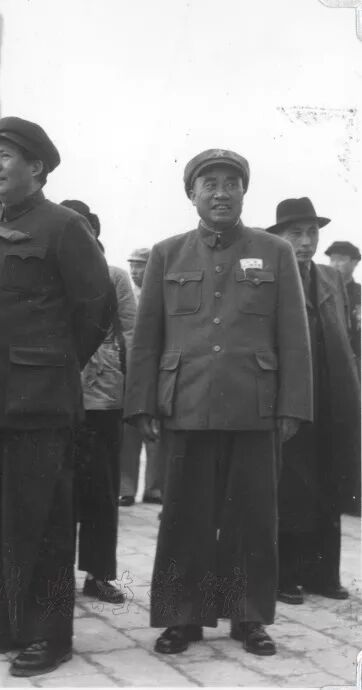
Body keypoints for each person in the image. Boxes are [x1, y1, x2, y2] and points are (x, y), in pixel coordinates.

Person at [124, 149, 313, 657]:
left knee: (252, 517)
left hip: (255, 405)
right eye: (210, 184)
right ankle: (181, 619)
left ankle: (248, 618)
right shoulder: (167, 254)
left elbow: (294, 336)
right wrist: (141, 404)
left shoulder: (274, 251)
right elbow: (147, 337)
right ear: (192, 194)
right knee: (183, 517)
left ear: (244, 192)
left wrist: (293, 404)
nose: (222, 193)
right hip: (186, 404)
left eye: (232, 183)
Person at [0, 117, 112, 677]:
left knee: (41, 523)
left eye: (6, 156)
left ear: (37, 167)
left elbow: (95, 310)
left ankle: (50, 636)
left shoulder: (65, 226)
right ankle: (8, 625)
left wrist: (51, 368)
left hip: (38, 402)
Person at [267, 198, 361, 604]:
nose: (306, 242)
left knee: (329, 481)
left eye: (312, 233)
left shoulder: (331, 278)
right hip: (290, 395)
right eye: (296, 234)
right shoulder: (270, 275)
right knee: (291, 486)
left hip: (332, 394)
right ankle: (285, 575)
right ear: (279, 238)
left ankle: (324, 574)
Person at [61, 199, 136, 604]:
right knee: (55, 490)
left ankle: (99, 574)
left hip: (104, 395)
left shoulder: (114, 276)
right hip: (54, 395)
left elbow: (133, 332)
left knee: (102, 488)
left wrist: (136, 390)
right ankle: (55, 575)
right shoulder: (47, 273)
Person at [119, 247, 163, 507]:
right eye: (132, 265)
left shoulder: (162, 295)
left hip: (155, 369)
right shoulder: (126, 296)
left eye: (140, 265)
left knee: (155, 428)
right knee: (128, 432)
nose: (135, 271)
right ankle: (126, 488)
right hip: (127, 370)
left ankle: (154, 488)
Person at [324, 240, 361, 377]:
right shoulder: (323, 292)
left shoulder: (359, 293)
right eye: (332, 259)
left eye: (341, 259)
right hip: (328, 359)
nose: (335, 264)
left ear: (355, 262)